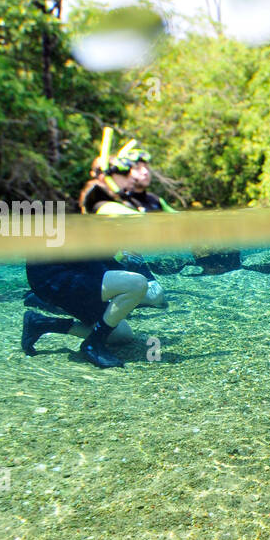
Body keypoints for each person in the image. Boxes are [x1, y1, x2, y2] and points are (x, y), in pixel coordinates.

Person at [21, 136, 162, 368]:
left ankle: (41, 323)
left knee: (122, 335)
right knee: (136, 285)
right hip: (54, 275)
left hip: (70, 274)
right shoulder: (94, 202)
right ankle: (92, 345)